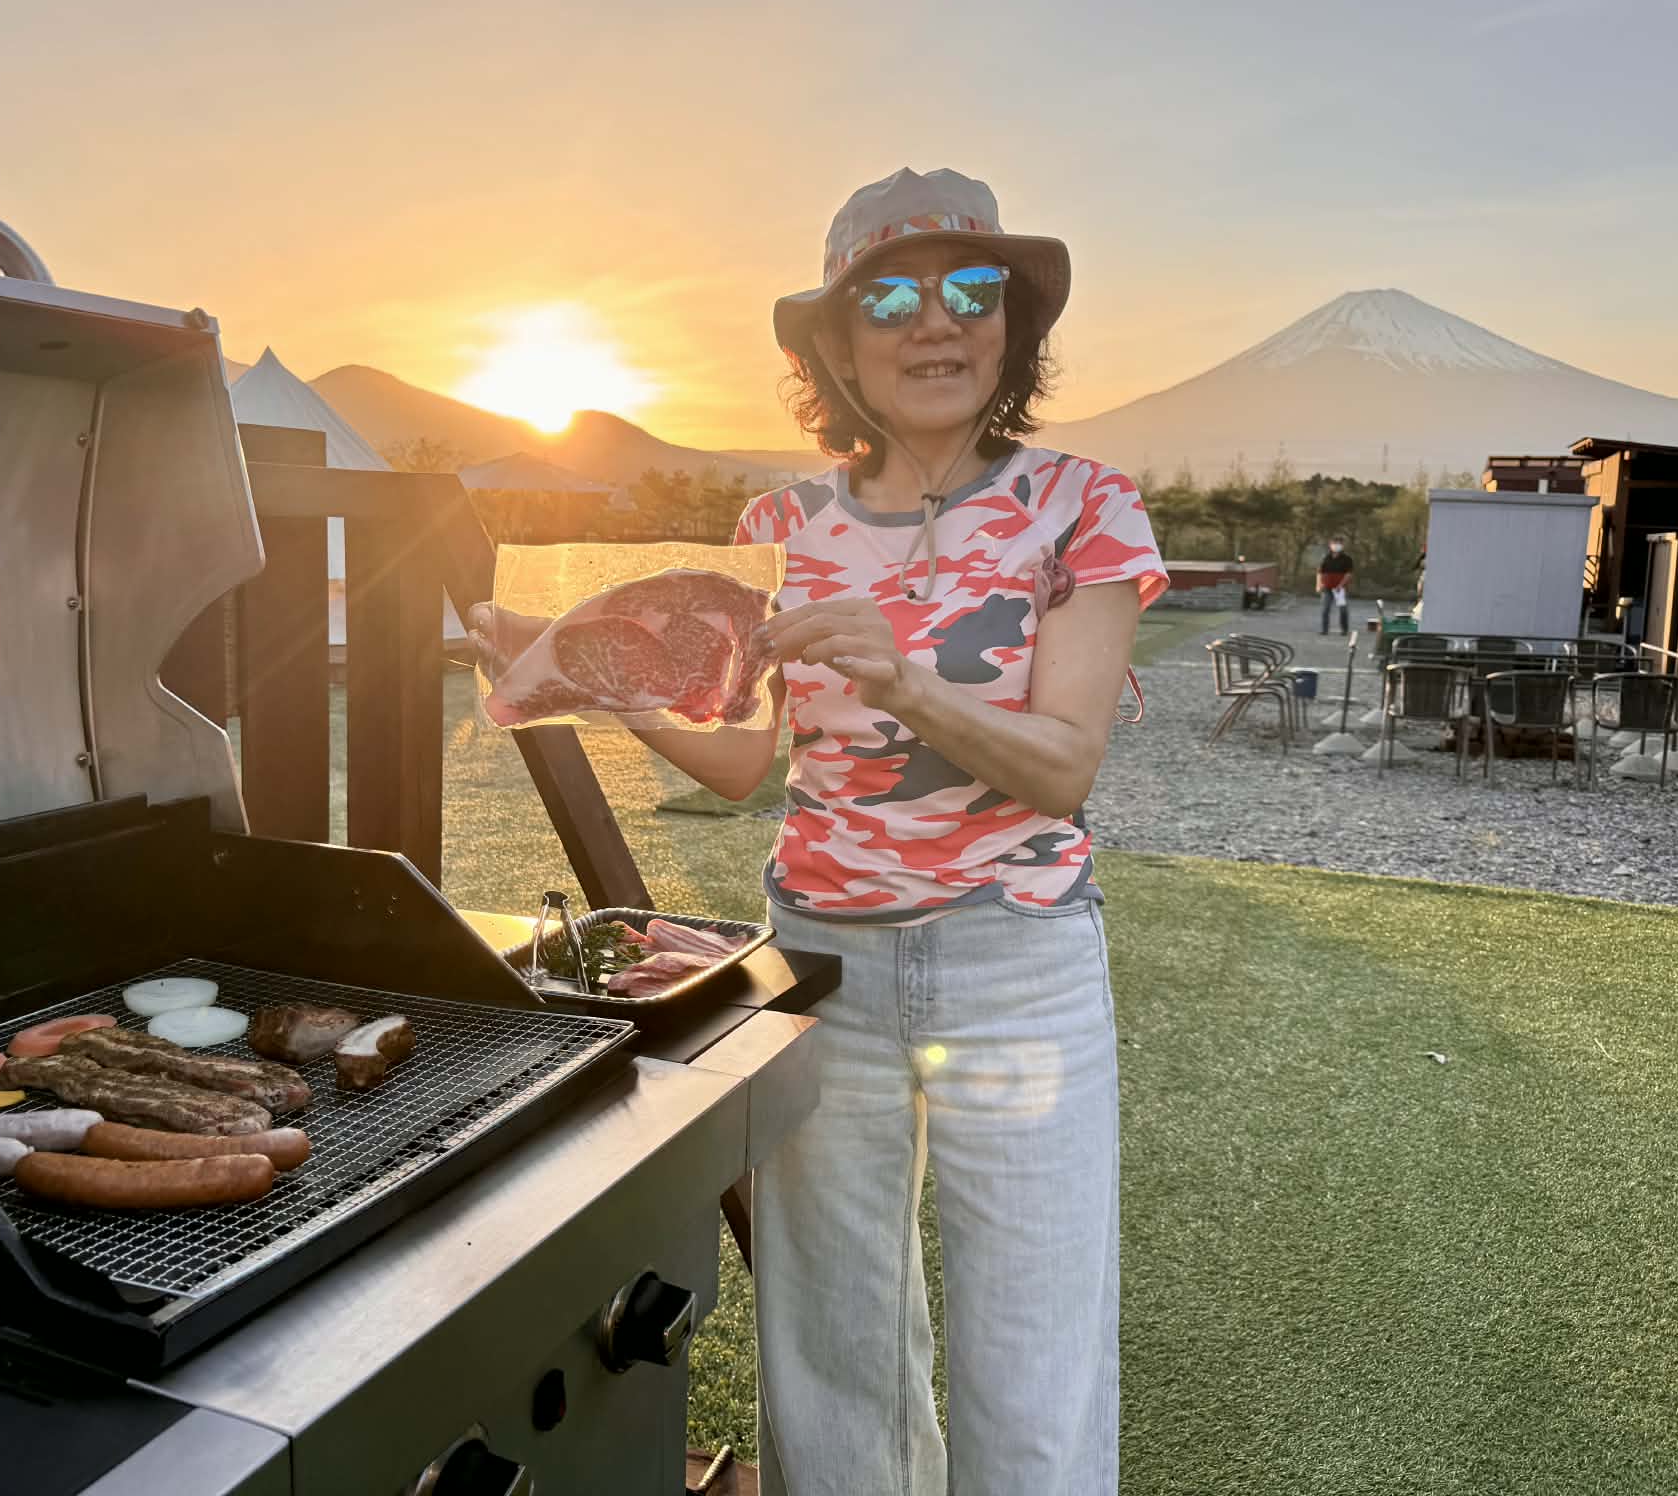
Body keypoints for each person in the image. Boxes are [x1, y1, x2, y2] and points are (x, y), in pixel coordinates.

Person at [477, 167, 1166, 1494]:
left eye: (972, 290)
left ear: (1013, 324)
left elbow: (1063, 768)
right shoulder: (785, 525)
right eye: (888, 297)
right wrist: (580, 663)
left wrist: (906, 677)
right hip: (824, 963)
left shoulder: (1083, 503)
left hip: (1017, 966)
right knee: (834, 1355)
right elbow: (743, 759)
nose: (934, 323)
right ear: (835, 345)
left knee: (1033, 1371)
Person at [1317, 535, 1354, 633]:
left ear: (1342, 545)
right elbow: (1320, 572)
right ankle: (1324, 630)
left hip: (1340, 589)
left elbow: (1348, 574)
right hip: (1327, 587)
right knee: (1325, 609)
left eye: (1339, 544)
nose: (1336, 546)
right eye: (1334, 543)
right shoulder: (1326, 557)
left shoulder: (1347, 559)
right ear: (1330, 545)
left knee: (1343, 610)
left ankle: (1344, 629)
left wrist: (1341, 585)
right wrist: (1319, 584)